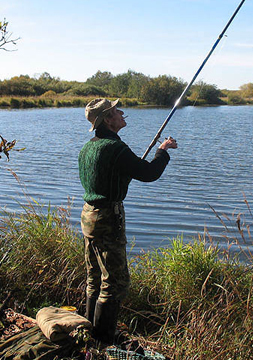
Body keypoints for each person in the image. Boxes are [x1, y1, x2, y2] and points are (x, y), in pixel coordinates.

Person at [78, 98, 177, 344]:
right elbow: (149, 173)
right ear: (108, 120)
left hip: (88, 215)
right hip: (107, 219)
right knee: (115, 282)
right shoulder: (115, 148)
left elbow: (108, 176)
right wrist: (162, 151)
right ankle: (102, 340)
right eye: (115, 110)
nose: (121, 112)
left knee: (94, 277)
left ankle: (88, 332)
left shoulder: (88, 147)